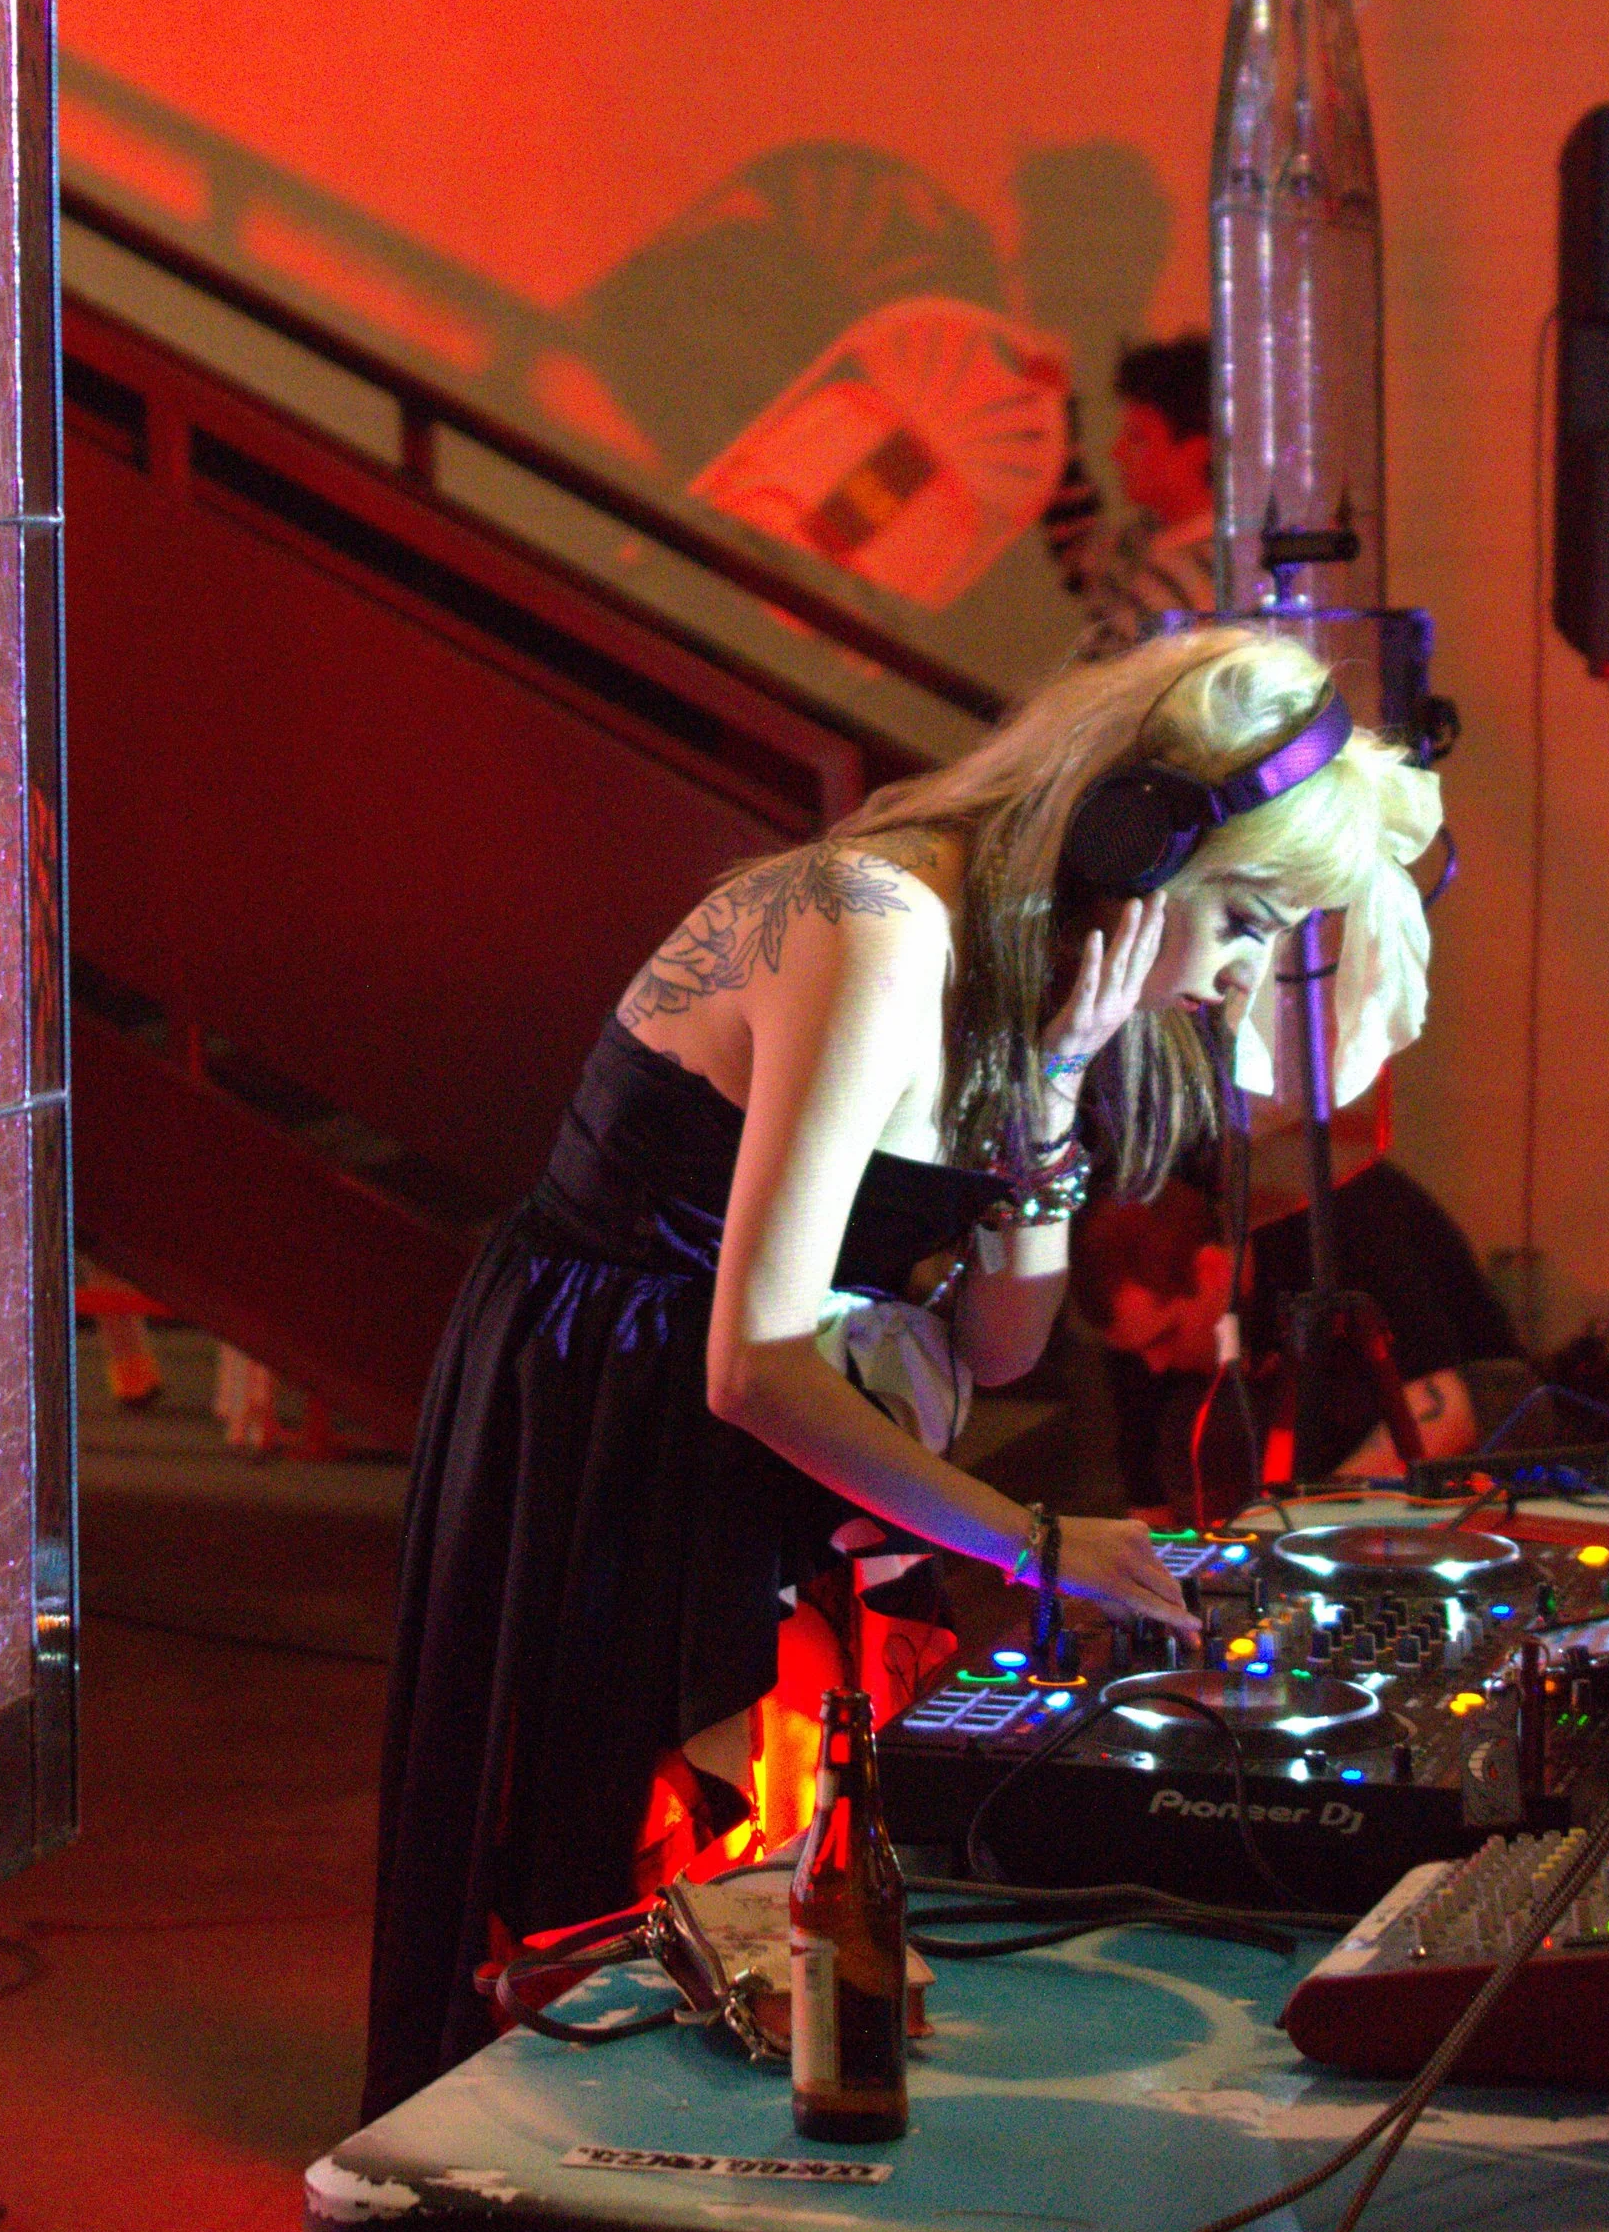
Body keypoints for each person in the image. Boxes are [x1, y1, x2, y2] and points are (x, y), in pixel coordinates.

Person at [365, 623, 1442, 2124]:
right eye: (1248, 916)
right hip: (631, 1402)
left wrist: (1055, 1087)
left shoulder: (1035, 973)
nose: (1242, 974)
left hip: (807, 1414)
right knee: (639, 1862)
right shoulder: (870, 929)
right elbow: (754, 1364)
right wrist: (1039, 1544)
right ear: (1139, 842)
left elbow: (1000, 1350)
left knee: (810, 1863)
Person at [1073, 1166, 1529, 1507]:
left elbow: (1448, 1406)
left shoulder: (1347, 1217)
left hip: (1484, 1411)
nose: (1154, 1364)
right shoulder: (1144, 1336)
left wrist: (1295, 1525)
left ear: (1211, 1270)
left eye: (1166, 1337)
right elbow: (1149, 1509)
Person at [1043, 332, 1218, 653]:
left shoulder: (1189, 583)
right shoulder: (1149, 536)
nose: (1117, 451)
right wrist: (1050, 409)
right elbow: (1080, 548)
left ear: (1195, 453)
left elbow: (1110, 693)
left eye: (1138, 438)